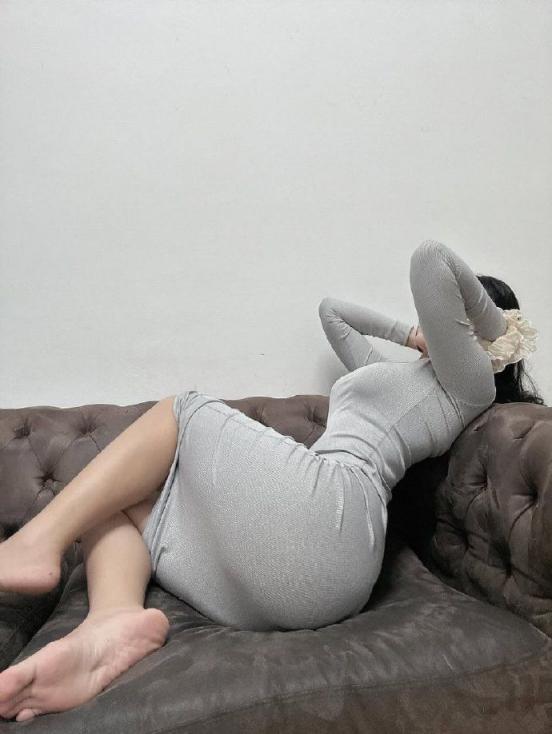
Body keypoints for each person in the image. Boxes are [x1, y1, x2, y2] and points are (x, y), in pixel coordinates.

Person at [0, 239, 540, 722]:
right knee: (114, 502)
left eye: (459, 320)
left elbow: (431, 259)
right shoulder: (401, 374)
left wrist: (497, 331)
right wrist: (410, 336)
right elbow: (333, 314)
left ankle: (35, 543)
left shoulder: (469, 386)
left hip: (337, 513)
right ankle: (111, 620)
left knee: (182, 409)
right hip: (290, 581)